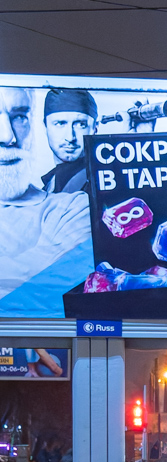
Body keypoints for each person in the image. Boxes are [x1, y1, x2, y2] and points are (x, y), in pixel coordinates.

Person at [0, 86, 93, 312]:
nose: (7, 136)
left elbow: (47, 284)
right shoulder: (51, 182)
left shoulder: (74, 207)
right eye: (60, 123)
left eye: (19, 117)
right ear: (45, 127)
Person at [40, 88, 97, 194]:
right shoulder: (49, 184)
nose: (70, 137)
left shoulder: (100, 181)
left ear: (94, 129)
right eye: (60, 124)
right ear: (45, 127)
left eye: (80, 124)